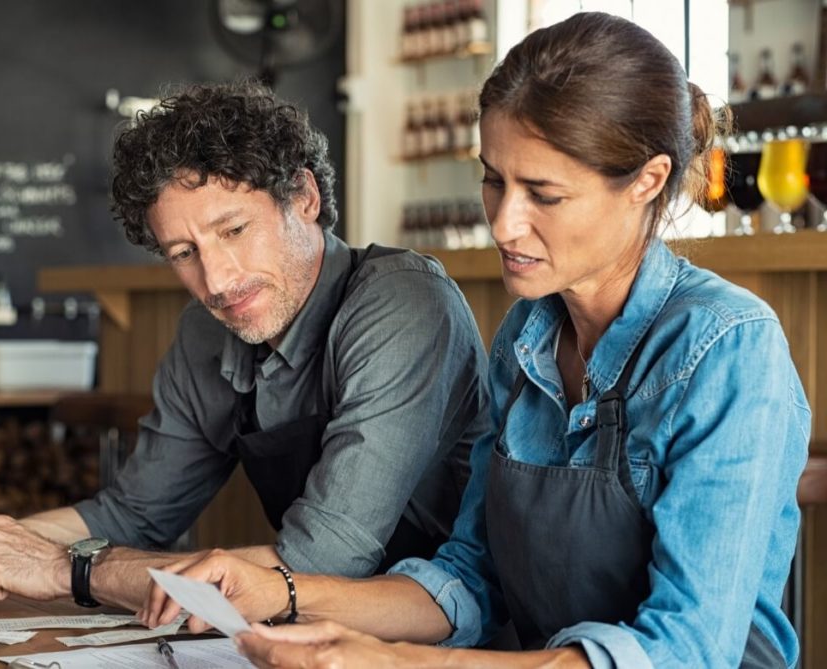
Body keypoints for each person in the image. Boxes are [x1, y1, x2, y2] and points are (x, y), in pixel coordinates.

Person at [143, 13, 809, 669]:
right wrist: (284, 594)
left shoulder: (727, 348)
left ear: (647, 181)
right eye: (494, 180)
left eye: (542, 193)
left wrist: (402, 662)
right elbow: (470, 576)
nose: (504, 223)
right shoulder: (528, 334)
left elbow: (688, 649)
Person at [0, 80, 490, 611]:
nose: (216, 281)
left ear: (304, 198)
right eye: (184, 254)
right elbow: (134, 513)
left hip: (454, 636)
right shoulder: (206, 331)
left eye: (234, 230)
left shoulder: (402, 304)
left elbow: (321, 561)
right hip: (316, 637)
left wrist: (68, 571)